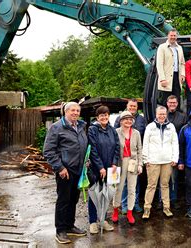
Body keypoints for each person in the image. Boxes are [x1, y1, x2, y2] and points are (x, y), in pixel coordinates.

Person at [43, 102, 88, 244]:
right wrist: (60, 168)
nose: (75, 113)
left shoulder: (81, 126)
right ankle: (61, 230)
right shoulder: (57, 128)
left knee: (74, 199)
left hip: (78, 170)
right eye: (72, 110)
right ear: (66, 112)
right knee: (63, 200)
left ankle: (70, 226)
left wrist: (86, 161)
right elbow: (48, 151)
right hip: (65, 171)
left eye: (77, 110)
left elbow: (84, 146)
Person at [142, 106, 179, 219]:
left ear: (166, 114)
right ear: (156, 114)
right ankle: (147, 209)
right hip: (153, 161)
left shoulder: (171, 127)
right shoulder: (150, 127)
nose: (162, 116)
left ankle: (166, 208)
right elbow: (146, 143)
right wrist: (145, 159)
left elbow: (175, 143)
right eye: (160, 114)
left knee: (165, 185)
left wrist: (175, 158)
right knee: (151, 185)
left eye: (163, 114)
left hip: (167, 161)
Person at [87, 105, 120, 233]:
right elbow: (93, 150)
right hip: (96, 169)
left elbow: (117, 147)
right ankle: (93, 222)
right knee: (95, 194)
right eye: (101, 115)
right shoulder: (92, 130)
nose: (104, 117)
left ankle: (103, 220)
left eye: (106, 115)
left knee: (106, 194)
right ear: (97, 117)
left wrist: (114, 163)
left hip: (110, 169)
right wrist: (100, 167)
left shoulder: (112, 130)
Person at [114, 99, 145, 213]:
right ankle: (120, 207)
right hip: (120, 161)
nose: (128, 121)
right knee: (120, 186)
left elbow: (140, 148)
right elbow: (114, 146)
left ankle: (132, 207)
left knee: (133, 186)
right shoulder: (117, 128)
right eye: (125, 119)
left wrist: (140, 163)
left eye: (134, 106)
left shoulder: (138, 127)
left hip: (133, 160)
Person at [163, 95, 187, 209]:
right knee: (163, 179)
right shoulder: (162, 116)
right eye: (170, 102)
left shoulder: (182, 117)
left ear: (177, 104)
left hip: (176, 150)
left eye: (174, 103)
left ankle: (173, 200)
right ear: (167, 103)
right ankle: (161, 200)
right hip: (163, 151)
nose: (172, 104)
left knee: (174, 178)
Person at [156, 28, 185, 106]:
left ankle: (176, 117)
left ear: (176, 36)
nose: (173, 37)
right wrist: (162, 79)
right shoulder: (162, 47)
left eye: (174, 35)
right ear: (168, 36)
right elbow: (159, 64)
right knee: (166, 101)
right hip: (166, 78)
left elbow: (182, 63)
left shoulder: (179, 48)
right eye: (171, 35)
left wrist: (182, 74)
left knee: (176, 100)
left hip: (177, 77)